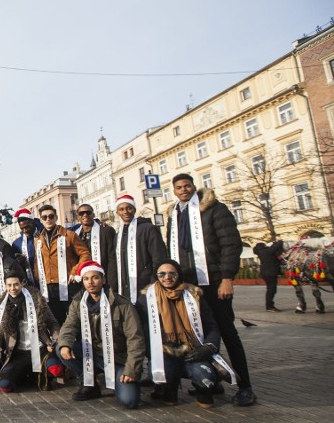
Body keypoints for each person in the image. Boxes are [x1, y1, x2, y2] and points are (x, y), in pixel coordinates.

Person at [166, 173, 256, 407]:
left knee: (227, 333)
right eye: (179, 187)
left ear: (194, 187)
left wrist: (227, 277)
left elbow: (230, 244)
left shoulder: (215, 210)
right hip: (188, 285)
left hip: (214, 281)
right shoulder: (174, 214)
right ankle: (210, 380)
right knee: (197, 334)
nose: (183, 190)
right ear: (174, 191)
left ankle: (246, 386)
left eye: (187, 186)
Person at [135, 260, 230, 408]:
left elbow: (212, 326)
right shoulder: (146, 298)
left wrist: (209, 347)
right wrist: (152, 351)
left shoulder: (194, 296)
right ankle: (169, 388)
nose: (167, 277)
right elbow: (140, 331)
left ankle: (203, 390)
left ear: (178, 275)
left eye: (172, 273)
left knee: (205, 375)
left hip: (193, 349)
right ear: (157, 276)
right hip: (165, 350)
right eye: (162, 274)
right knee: (161, 374)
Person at [57, 261, 145, 409]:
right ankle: (89, 382)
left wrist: (132, 369)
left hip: (118, 358)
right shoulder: (79, 302)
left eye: (95, 278)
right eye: (86, 279)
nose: (90, 282)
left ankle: (120, 381)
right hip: (92, 354)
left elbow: (135, 339)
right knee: (60, 348)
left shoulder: (122, 304)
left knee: (129, 401)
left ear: (103, 280)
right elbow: (69, 326)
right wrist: (65, 344)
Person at [0, 272, 60, 393]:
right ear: (5, 286)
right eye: (9, 285)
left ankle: (37, 373)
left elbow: (53, 324)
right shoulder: (2, 306)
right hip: (18, 353)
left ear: (23, 283)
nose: (13, 288)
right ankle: (24, 375)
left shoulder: (37, 300)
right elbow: (0, 331)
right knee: (5, 386)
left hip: (40, 348)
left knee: (56, 369)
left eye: (16, 284)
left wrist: (53, 341)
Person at [34, 204, 91, 325]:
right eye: (44, 217)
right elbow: (37, 261)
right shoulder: (38, 240)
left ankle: (80, 343)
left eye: (51, 216)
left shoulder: (69, 235)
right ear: (41, 220)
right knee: (56, 320)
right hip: (49, 287)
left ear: (56, 217)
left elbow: (85, 254)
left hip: (68, 284)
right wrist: (37, 276)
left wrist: (75, 271)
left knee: (76, 318)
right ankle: (61, 343)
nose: (48, 219)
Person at [113, 194, 167, 300]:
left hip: (146, 284)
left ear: (134, 209)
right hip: (125, 286)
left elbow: (159, 257)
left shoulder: (148, 229)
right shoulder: (118, 234)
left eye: (129, 208)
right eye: (121, 209)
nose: (125, 212)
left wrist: (154, 281)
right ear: (117, 212)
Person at [70, 203, 117, 288]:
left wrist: (112, 283)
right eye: (81, 213)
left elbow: (112, 258)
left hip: (103, 277)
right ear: (78, 217)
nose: (85, 215)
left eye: (88, 212)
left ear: (93, 215)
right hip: (83, 279)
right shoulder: (75, 234)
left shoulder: (106, 230)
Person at [11, 208, 40, 286]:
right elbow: (15, 265)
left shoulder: (44, 235)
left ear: (33, 222)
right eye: (22, 228)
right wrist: (18, 260)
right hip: (29, 283)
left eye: (27, 227)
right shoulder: (16, 243)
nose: (25, 230)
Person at [254, 240, 285, 312]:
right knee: (271, 290)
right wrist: (279, 241)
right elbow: (275, 247)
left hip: (267, 273)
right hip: (270, 273)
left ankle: (269, 306)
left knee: (270, 289)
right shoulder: (264, 251)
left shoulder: (260, 252)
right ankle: (269, 306)